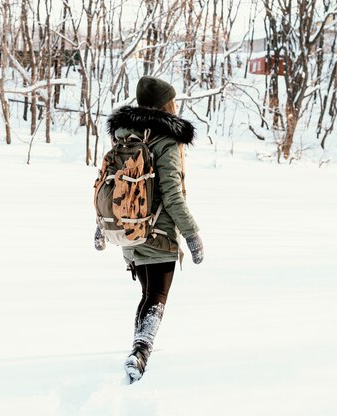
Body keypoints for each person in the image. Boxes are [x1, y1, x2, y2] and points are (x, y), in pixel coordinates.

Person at [94, 76, 204, 383]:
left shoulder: (123, 135)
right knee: (156, 295)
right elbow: (172, 193)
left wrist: (102, 226)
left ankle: (138, 346)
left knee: (147, 292)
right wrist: (192, 234)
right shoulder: (167, 139)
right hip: (160, 232)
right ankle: (140, 352)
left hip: (129, 230)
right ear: (165, 104)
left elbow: (108, 184)